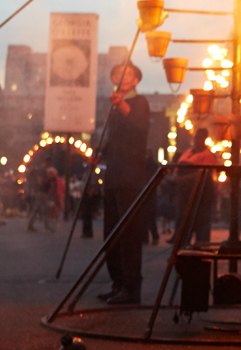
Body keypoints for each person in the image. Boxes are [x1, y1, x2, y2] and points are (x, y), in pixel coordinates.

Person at [98, 62, 149, 305]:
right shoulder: (116, 107)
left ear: (136, 80)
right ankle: (117, 283)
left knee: (129, 234)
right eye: (119, 74)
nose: (123, 77)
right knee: (111, 234)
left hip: (130, 176)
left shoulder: (139, 103)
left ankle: (132, 288)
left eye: (128, 74)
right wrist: (100, 152)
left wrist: (121, 104)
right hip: (113, 175)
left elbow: (139, 127)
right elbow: (114, 138)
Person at [173, 128, 219, 244]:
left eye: (199, 137)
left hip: (199, 197)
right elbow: (177, 167)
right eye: (195, 137)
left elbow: (204, 173)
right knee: (183, 224)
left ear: (204, 139)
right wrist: (177, 177)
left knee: (201, 227)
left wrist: (185, 178)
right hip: (184, 195)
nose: (196, 140)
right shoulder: (187, 152)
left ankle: (201, 255)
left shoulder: (208, 156)